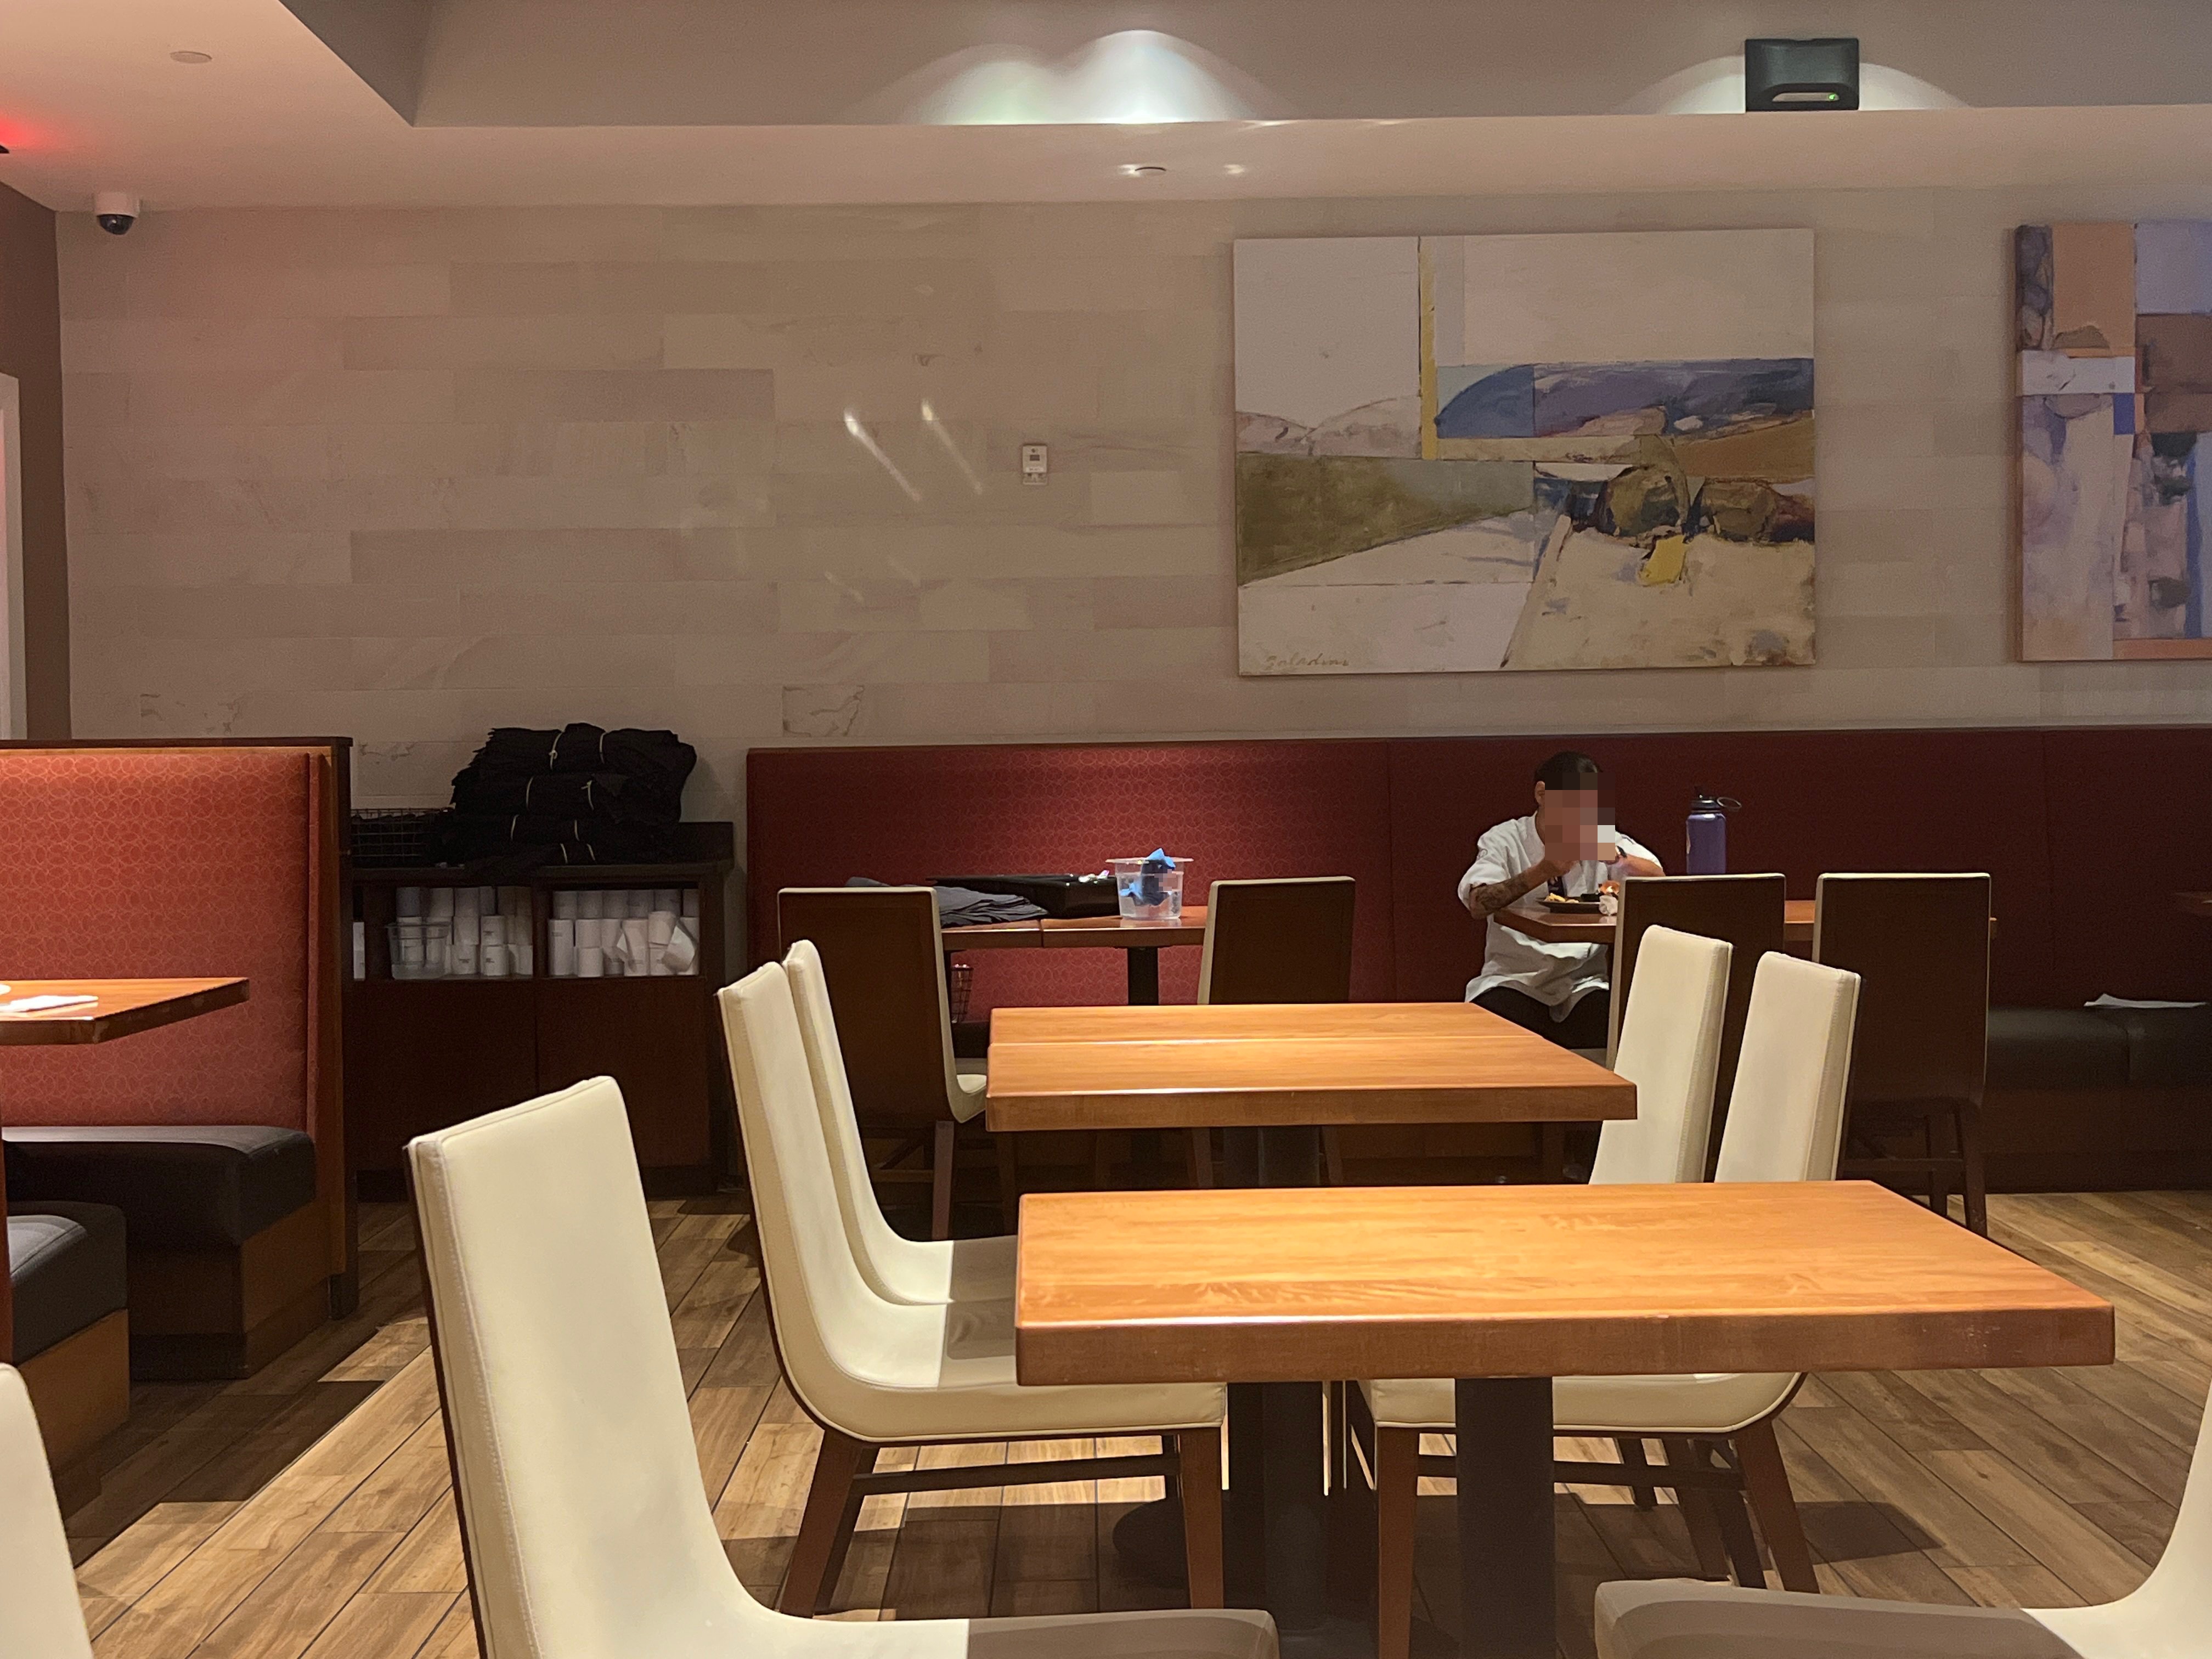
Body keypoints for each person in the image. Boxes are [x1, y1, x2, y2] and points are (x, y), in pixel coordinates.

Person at [1457, 750, 1663, 1051]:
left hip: (1583, 983)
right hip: (1514, 979)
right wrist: (1543, 870)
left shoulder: (1599, 836)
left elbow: (1659, 879)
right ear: (1542, 794)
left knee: (1624, 1029)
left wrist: (1616, 857)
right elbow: (1478, 902)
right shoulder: (1505, 839)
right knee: (1499, 1034)